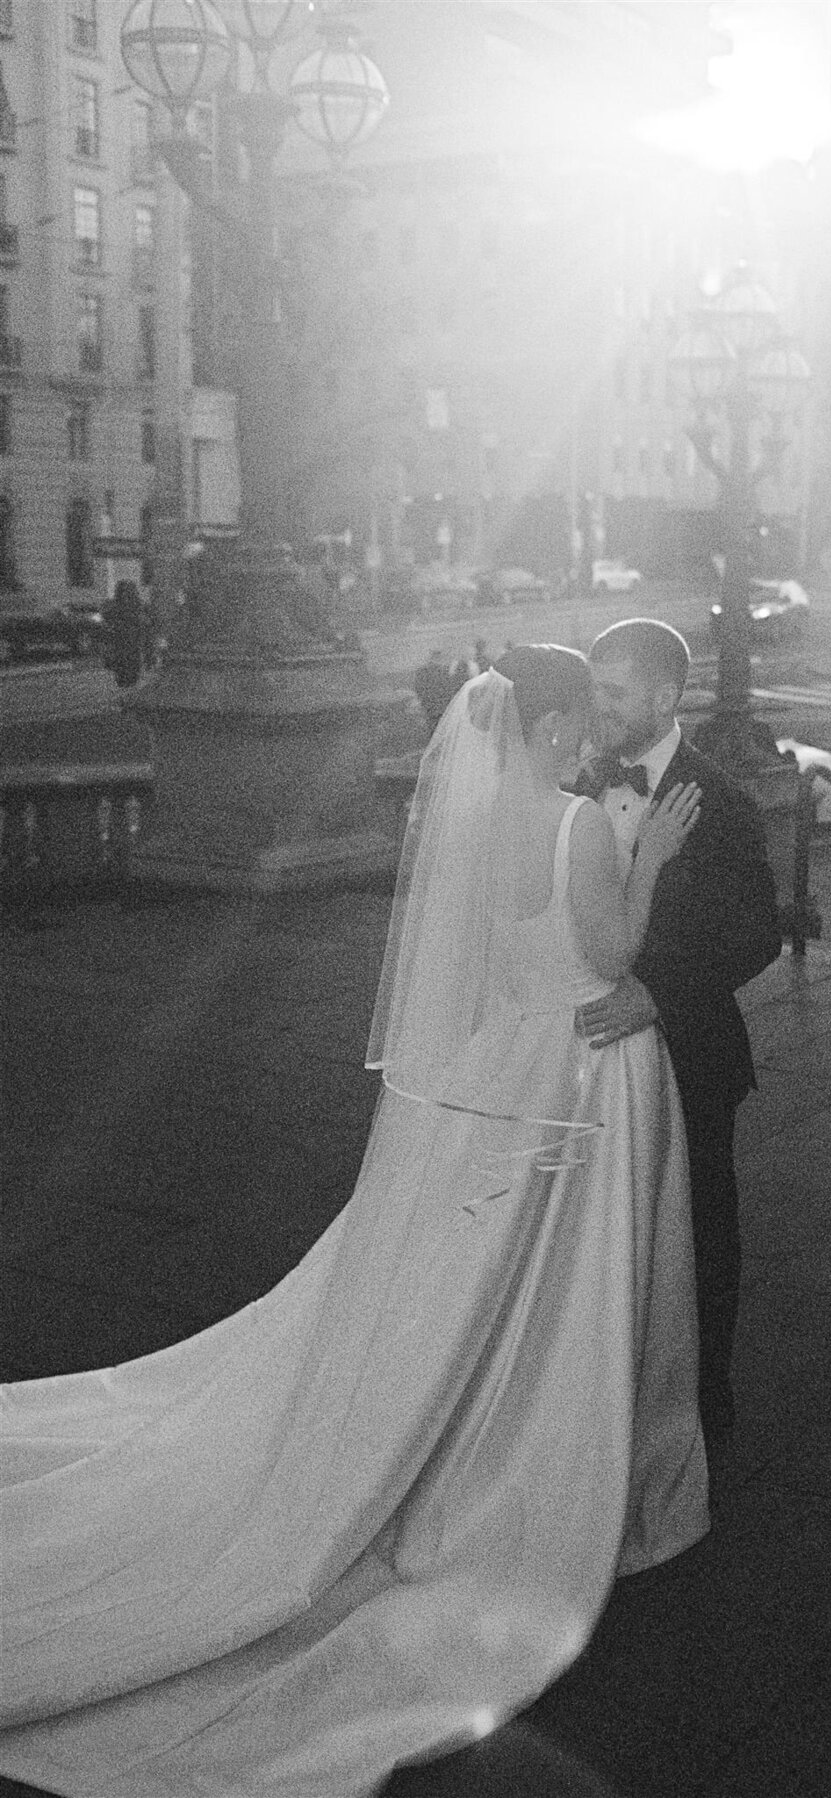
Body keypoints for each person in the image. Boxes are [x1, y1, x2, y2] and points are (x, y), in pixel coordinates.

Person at [0, 647, 709, 1793]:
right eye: (573, 727)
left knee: (473, 1285)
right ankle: (537, 1463)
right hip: (578, 1084)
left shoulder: (475, 828)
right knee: (565, 1293)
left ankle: (468, 1431)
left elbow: (483, 966)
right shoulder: (582, 826)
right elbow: (612, 953)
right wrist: (653, 859)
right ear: (540, 726)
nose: (588, 746)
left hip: (499, 1073)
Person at [574, 618, 783, 1455]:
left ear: (665, 698)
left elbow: (757, 933)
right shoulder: (579, 779)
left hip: (688, 1050)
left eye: (614, 693)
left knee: (699, 1226)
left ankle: (702, 1399)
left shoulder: (721, 800)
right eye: (593, 689)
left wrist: (655, 994)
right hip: (589, 1054)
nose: (598, 707)